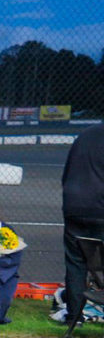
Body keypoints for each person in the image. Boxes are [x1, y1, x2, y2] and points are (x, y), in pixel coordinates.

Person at [61, 123, 104, 322]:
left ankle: (74, 316)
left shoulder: (86, 135)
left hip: (74, 205)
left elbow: (67, 172)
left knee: (76, 264)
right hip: (98, 207)